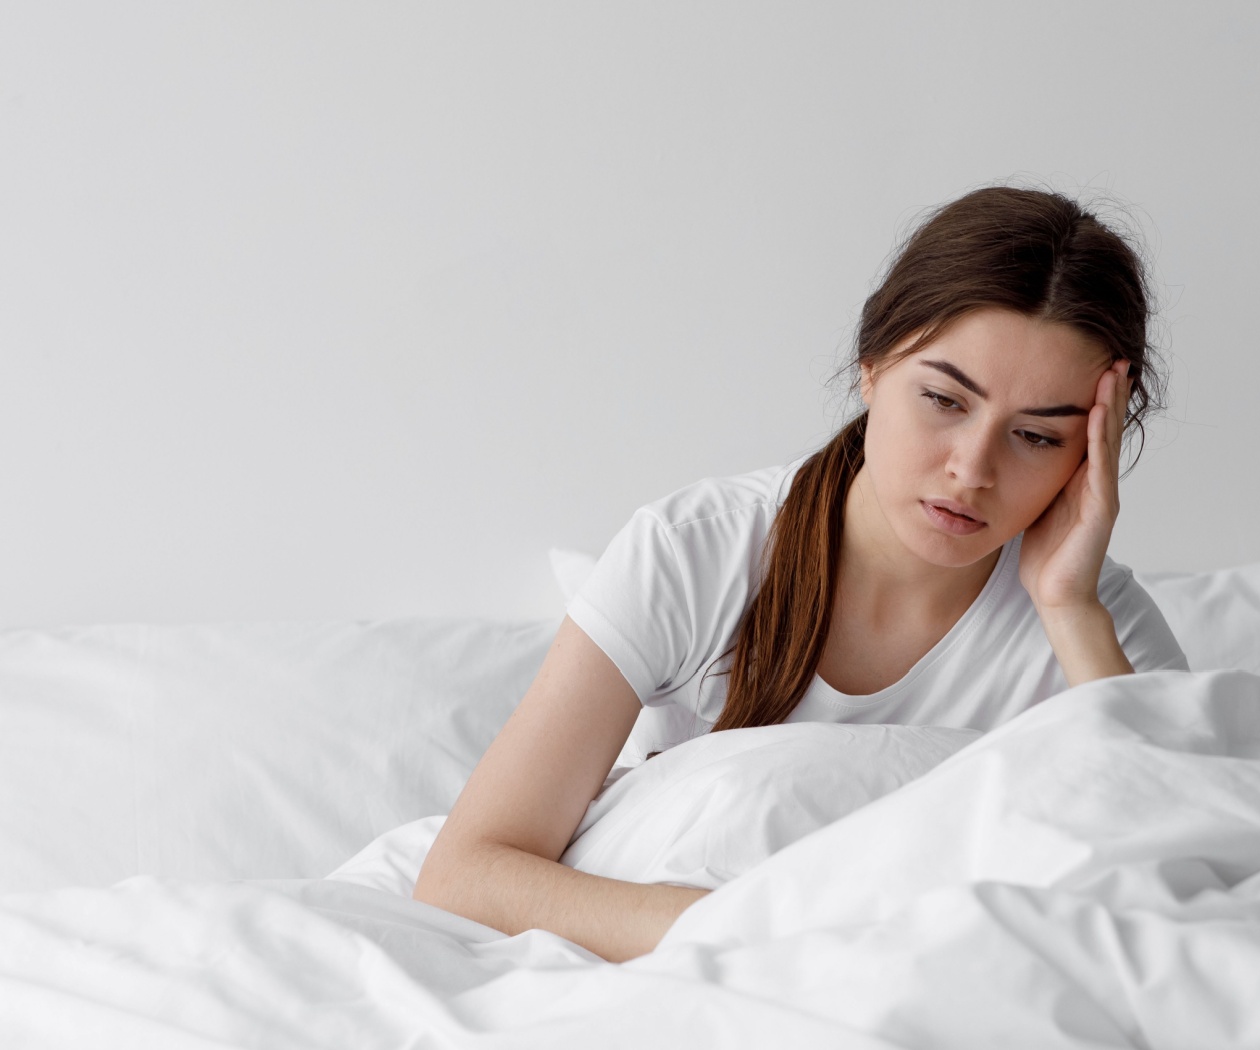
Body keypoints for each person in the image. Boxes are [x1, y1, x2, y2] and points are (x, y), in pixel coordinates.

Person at [412, 184, 1189, 962]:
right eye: (944, 400)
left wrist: (1070, 611)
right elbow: (465, 872)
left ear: (1093, 452)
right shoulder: (693, 552)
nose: (972, 469)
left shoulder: (1094, 623)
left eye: (1036, 437)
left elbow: (1179, 877)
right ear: (872, 367)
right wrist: (769, 936)